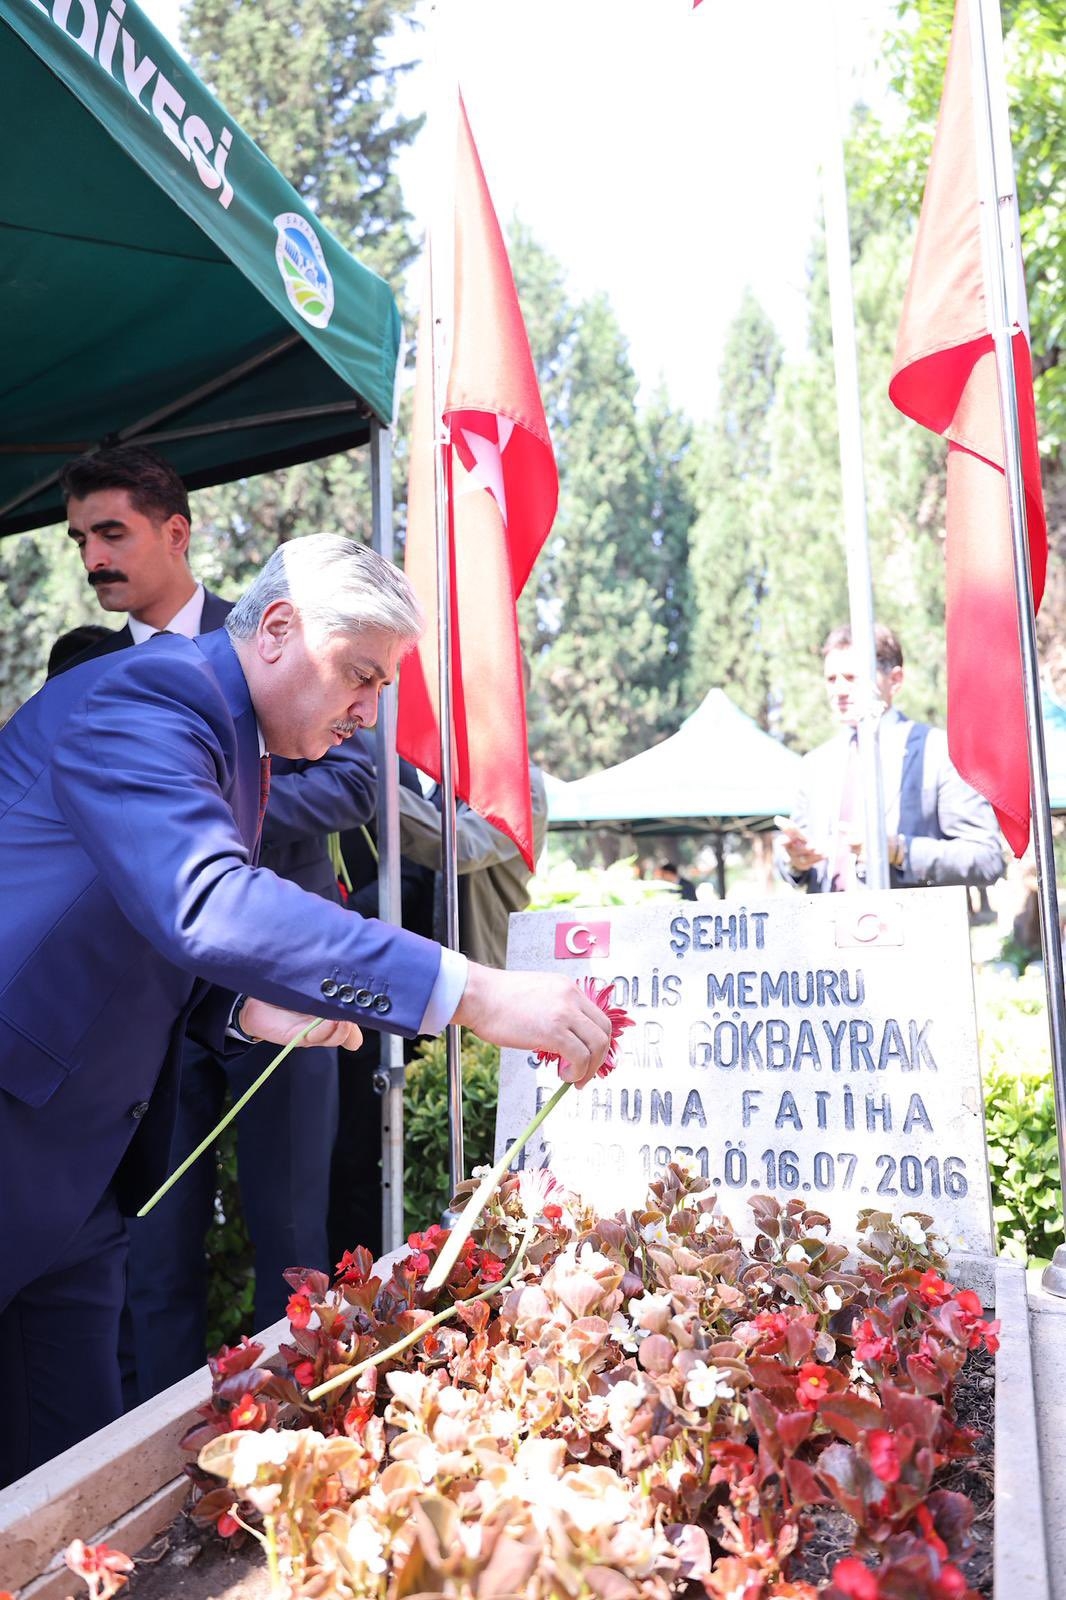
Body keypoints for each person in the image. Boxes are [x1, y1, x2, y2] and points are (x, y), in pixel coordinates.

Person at [0, 531, 611, 1487]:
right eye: (360, 676)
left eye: (382, 687)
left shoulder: (229, 732)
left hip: (72, 1170)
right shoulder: (151, 696)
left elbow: (137, 923)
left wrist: (244, 1013)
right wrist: (474, 990)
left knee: (64, 1485)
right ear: (278, 628)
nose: (369, 713)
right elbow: (204, 901)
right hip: (17, 1124)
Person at [52, 445, 374, 1404]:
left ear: (176, 532)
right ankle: (158, 1457)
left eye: (112, 532)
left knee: (292, 1232)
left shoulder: (280, 637)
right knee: (152, 1243)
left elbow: (356, 784)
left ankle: (301, 1432)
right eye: (80, 539)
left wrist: (199, 812)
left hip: (281, 981)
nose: (93, 557)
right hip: (145, 998)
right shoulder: (85, 668)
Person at [775, 622, 1004, 894]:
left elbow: (986, 858)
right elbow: (791, 862)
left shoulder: (938, 752)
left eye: (851, 677)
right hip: (824, 919)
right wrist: (794, 861)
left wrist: (899, 850)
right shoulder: (815, 764)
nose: (839, 690)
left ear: (894, 680)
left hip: (905, 920)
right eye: (831, 679)